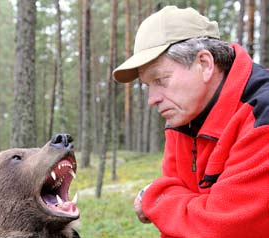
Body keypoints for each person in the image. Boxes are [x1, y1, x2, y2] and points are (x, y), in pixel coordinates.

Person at [113, 5, 269, 238]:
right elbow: (179, 228)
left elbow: (226, 228)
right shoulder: (183, 118)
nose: (152, 100)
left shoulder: (261, 115)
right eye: (147, 85)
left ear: (204, 64)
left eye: (160, 80)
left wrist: (154, 198)